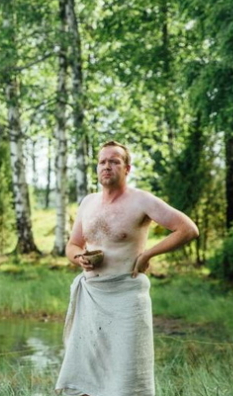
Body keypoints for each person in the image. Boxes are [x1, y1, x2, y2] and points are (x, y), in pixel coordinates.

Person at [54, 141, 199, 396]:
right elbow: (73, 244)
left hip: (126, 297)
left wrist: (148, 254)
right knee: (85, 376)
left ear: (127, 168)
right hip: (91, 296)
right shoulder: (88, 203)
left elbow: (188, 229)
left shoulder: (141, 200)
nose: (106, 166)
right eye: (102, 162)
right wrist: (79, 258)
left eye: (114, 161)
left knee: (127, 378)